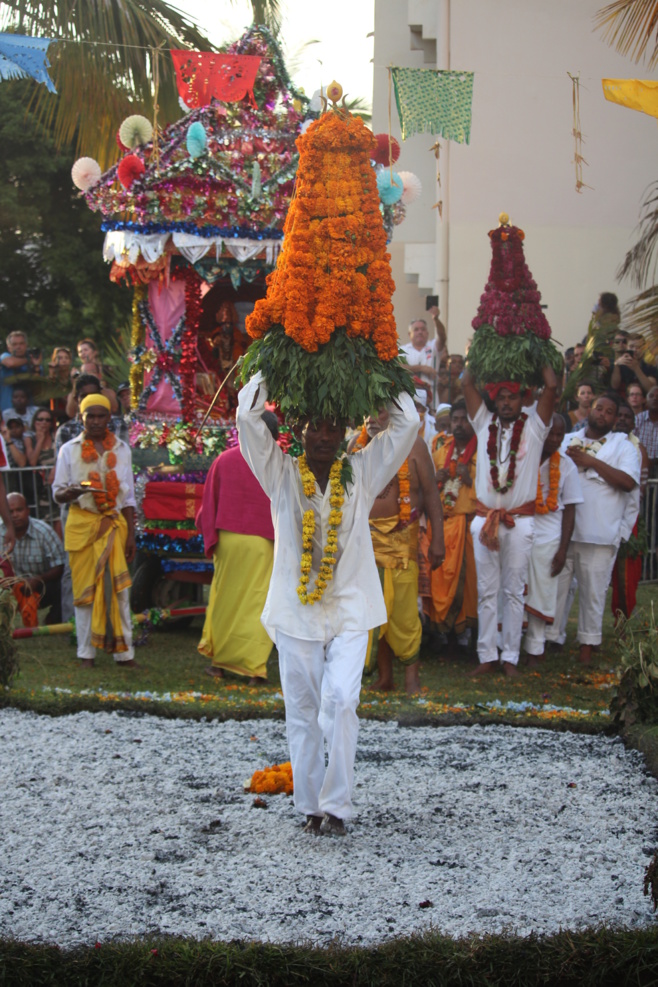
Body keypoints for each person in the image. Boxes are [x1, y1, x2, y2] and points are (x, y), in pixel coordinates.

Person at [237, 371, 419, 836]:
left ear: (344, 433)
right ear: (298, 430)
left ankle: (337, 805)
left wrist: (379, 370)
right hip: (296, 611)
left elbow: (407, 423)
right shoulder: (279, 473)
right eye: (314, 427)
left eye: (332, 428)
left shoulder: (362, 470)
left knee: (341, 700)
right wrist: (275, 359)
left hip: (352, 606)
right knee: (301, 709)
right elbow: (247, 415)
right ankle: (311, 807)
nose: (323, 436)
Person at [462, 365, 557, 677]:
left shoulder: (534, 427)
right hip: (484, 521)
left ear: (522, 399)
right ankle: (486, 655)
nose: (505, 403)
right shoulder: (484, 423)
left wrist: (539, 359)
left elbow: (552, 389)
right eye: (500, 397)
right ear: (494, 400)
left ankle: (511, 658)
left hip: (519, 523)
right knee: (487, 590)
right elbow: (466, 382)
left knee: (514, 591)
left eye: (512, 397)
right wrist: (476, 357)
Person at [350, 407, 444, 695]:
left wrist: (438, 540)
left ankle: (411, 680)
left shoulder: (414, 445)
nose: (371, 418)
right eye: (366, 411)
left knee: (403, 612)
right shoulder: (355, 445)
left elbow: (430, 493)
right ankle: (385, 678)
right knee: (372, 610)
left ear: (395, 413)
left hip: (402, 542)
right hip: (364, 542)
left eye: (379, 411)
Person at [547, 392, 640, 663]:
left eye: (610, 412)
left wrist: (592, 463)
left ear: (614, 420)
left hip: (599, 534)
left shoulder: (623, 446)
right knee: (557, 588)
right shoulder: (565, 441)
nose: (602, 414)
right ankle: (551, 639)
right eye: (599, 408)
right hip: (563, 532)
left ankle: (587, 645)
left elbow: (627, 483)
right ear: (590, 410)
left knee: (592, 593)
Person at [53, 394, 136, 667]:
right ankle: (85, 653)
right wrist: (72, 492)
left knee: (120, 591)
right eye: (91, 416)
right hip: (82, 525)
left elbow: (130, 498)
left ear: (109, 418)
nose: (97, 421)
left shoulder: (123, 449)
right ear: (81, 418)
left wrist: (132, 535)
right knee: (84, 592)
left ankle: (124, 654)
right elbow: (57, 494)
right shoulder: (68, 450)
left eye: (102, 416)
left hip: (114, 526)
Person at [197, 412, 279, 683]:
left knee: (225, 599)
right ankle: (254, 669)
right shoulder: (279, 464)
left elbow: (209, 504)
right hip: (264, 543)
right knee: (259, 601)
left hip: (229, 540)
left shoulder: (225, 460)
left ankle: (219, 665)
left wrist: (206, 529)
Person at [522, 415, 582, 665]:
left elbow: (570, 508)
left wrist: (562, 549)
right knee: (514, 588)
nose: (555, 439)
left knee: (543, 592)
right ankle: (509, 645)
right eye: (551, 434)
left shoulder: (567, 465)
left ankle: (536, 648)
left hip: (550, 535)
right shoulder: (523, 457)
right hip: (522, 527)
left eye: (560, 435)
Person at [421, 399, 478, 654]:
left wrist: (468, 479)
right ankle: (437, 638)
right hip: (440, 525)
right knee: (435, 582)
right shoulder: (440, 450)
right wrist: (435, 479)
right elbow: (427, 484)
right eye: (455, 419)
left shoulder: (481, 453)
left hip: (466, 524)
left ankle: (463, 641)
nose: (458, 424)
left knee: (466, 587)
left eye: (464, 419)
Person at [610, 400, 648, 621]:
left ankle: (622, 619)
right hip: (601, 514)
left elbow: (637, 489)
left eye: (627, 417)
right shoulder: (604, 443)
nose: (623, 420)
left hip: (628, 515)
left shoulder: (637, 448)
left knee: (626, 574)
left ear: (634, 423)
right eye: (620, 416)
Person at [2, 493, 65, 625]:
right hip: (8, 589)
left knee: (65, 585)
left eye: (19, 510)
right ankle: (4, 628)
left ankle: (53, 619)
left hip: (41, 585)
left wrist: (38, 580)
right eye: (10, 511)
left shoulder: (44, 531)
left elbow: (60, 566)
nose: (15, 515)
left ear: (28, 510)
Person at [400, 316, 444, 408]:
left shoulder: (433, 346)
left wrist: (436, 319)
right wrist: (421, 368)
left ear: (427, 333)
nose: (420, 332)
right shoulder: (403, 350)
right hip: (410, 394)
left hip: (432, 395)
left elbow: (442, 337)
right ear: (409, 334)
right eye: (416, 329)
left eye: (423, 329)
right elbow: (398, 368)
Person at [0, 332, 41, 412]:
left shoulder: (33, 365)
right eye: (14, 344)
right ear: (9, 347)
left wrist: (36, 366)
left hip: (28, 412)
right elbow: (10, 363)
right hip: (6, 411)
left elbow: (38, 389)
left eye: (21, 343)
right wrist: (29, 360)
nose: (18, 347)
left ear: (26, 345)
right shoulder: (5, 356)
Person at [633, 385, 658, 476]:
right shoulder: (638, 419)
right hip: (638, 465)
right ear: (646, 401)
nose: (655, 399)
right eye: (651, 396)